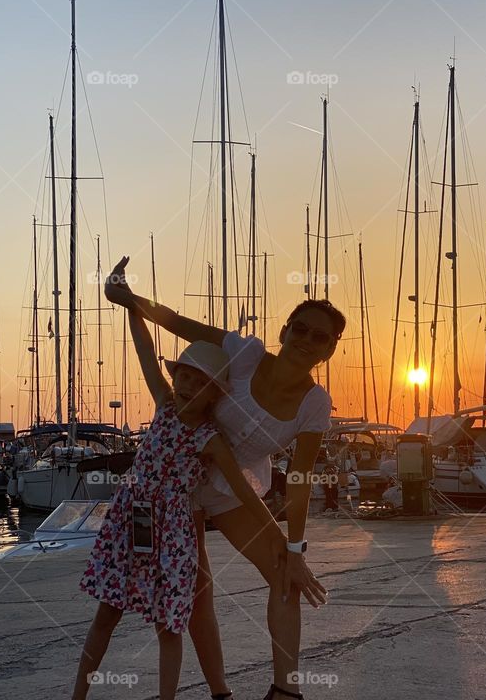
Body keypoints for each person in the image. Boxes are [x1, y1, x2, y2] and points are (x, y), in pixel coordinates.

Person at [105, 256, 343, 700]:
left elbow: (300, 477)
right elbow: (177, 323)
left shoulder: (315, 403)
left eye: (320, 337)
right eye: (300, 329)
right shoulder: (247, 355)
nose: (307, 340)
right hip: (178, 481)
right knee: (198, 593)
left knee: (284, 575)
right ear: (284, 331)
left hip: (233, 487)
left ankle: (285, 691)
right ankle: (220, 692)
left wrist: (294, 547)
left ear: (329, 350)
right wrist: (127, 298)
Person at [72, 305, 286, 700]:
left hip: (173, 534)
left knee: (169, 625)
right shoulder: (164, 406)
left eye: (198, 381)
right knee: (107, 613)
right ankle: (77, 696)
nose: (187, 384)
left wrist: (278, 537)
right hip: (128, 521)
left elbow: (243, 490)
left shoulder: (210, 438)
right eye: (183, 375)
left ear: (214, 394)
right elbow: (143, 348)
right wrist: (131, 306)